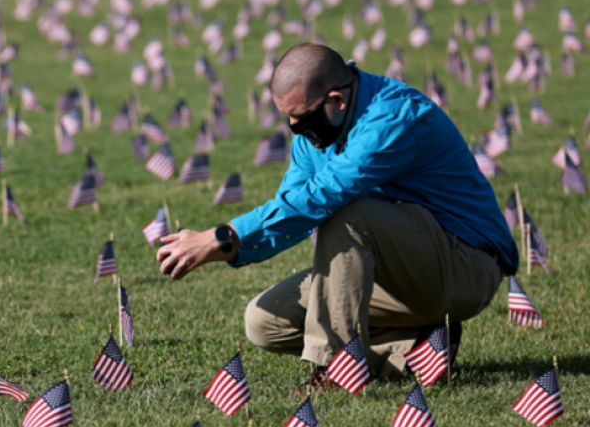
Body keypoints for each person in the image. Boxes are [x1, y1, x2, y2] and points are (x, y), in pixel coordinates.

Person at [156, 43, 517, 389]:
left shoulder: (392, 117)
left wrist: (223, 235)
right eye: (289, 120)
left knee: (348, 213)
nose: (296, 129)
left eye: (302, 118)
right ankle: (417, 349)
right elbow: (292, 206)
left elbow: (323, 196)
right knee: (263, 322)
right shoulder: (315, 134)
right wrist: (229, 247)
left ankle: (336, 368)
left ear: (336, 101)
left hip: (464, 267)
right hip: (399, 275)